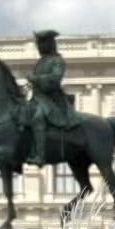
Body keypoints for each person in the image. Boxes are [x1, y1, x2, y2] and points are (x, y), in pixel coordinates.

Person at [25, 29, 81, 166]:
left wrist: (35, 79)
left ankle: (40, 156)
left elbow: (55, 79)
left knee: (38, 117)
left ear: (49, 44)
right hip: (37, 99)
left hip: (52, 101)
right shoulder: (40, 62)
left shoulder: (58, 60)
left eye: (42, 44)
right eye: (38, 44)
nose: (39, 47)